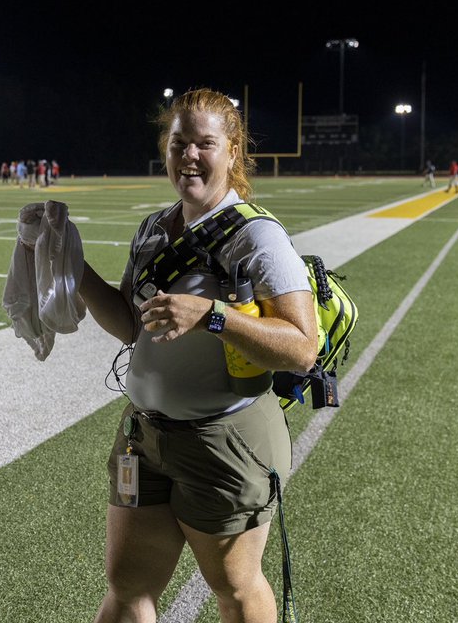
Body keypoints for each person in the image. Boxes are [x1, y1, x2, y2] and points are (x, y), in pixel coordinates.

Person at [74, 88, 316, 623]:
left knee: (234, 588)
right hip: (145, 435)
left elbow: (302, 348)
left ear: (232, 151)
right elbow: (130, 327)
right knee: (127, 583)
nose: (189, 155)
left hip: (224, 440)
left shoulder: (257, 235)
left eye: (204, 143)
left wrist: (212, 315)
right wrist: (73, 267)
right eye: (178, 142)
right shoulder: (154, 228)